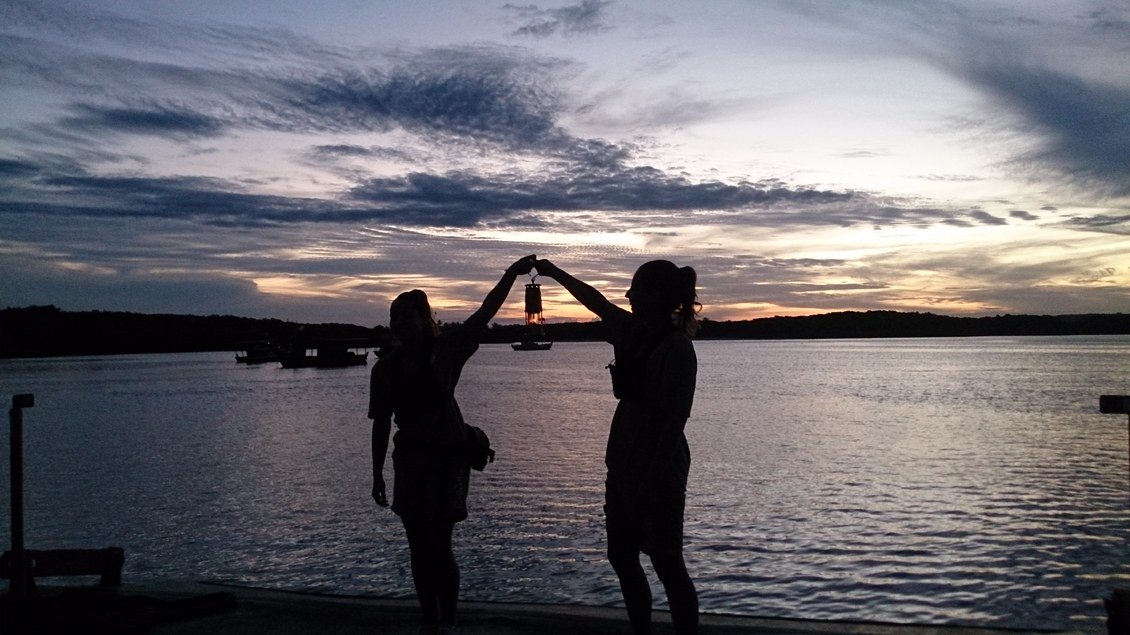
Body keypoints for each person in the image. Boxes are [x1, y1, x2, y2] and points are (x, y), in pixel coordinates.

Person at [369, 255, 537, 635]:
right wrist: (376, 474)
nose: (400, 324)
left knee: (440, 545)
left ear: (424, 319)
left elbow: (483, 314)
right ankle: (428, 619)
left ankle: (448, 620)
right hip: (409, 461)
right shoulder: (384, 369)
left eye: (407, 317)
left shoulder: (446, 351)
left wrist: (511, 274)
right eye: (395, 318)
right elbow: (380, 423)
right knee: (417, 546)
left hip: (447, 461)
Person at [534, 258, 701, 635]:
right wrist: (553, 272)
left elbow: (673, 423)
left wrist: (650, 483)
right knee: (622, 557)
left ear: (655, 295)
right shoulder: (632, 332)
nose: (627, 295)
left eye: (635, 289)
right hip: (623, 464)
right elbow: (595, 302)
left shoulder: (677, 348)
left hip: (658, 470)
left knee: (667, 562)